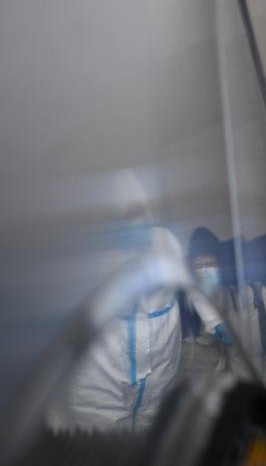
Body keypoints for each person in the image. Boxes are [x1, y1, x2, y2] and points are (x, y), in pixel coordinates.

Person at [48, 169, 185, 430]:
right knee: (100, 426)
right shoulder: (84, 252)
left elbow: (193, 277)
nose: (134, 222)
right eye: (122, 214)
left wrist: (214, 319)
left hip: (161, 351)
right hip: (103, 355)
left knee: (155, 422)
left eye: (138, 211)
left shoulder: (167, 242)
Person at [185, 227, 266, 427]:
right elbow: (205, 371)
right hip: (238, 411)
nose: (204, 269)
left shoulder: (259, 298)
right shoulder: (199, 312)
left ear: (221, 264)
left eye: (209, 262)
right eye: (198, 264)